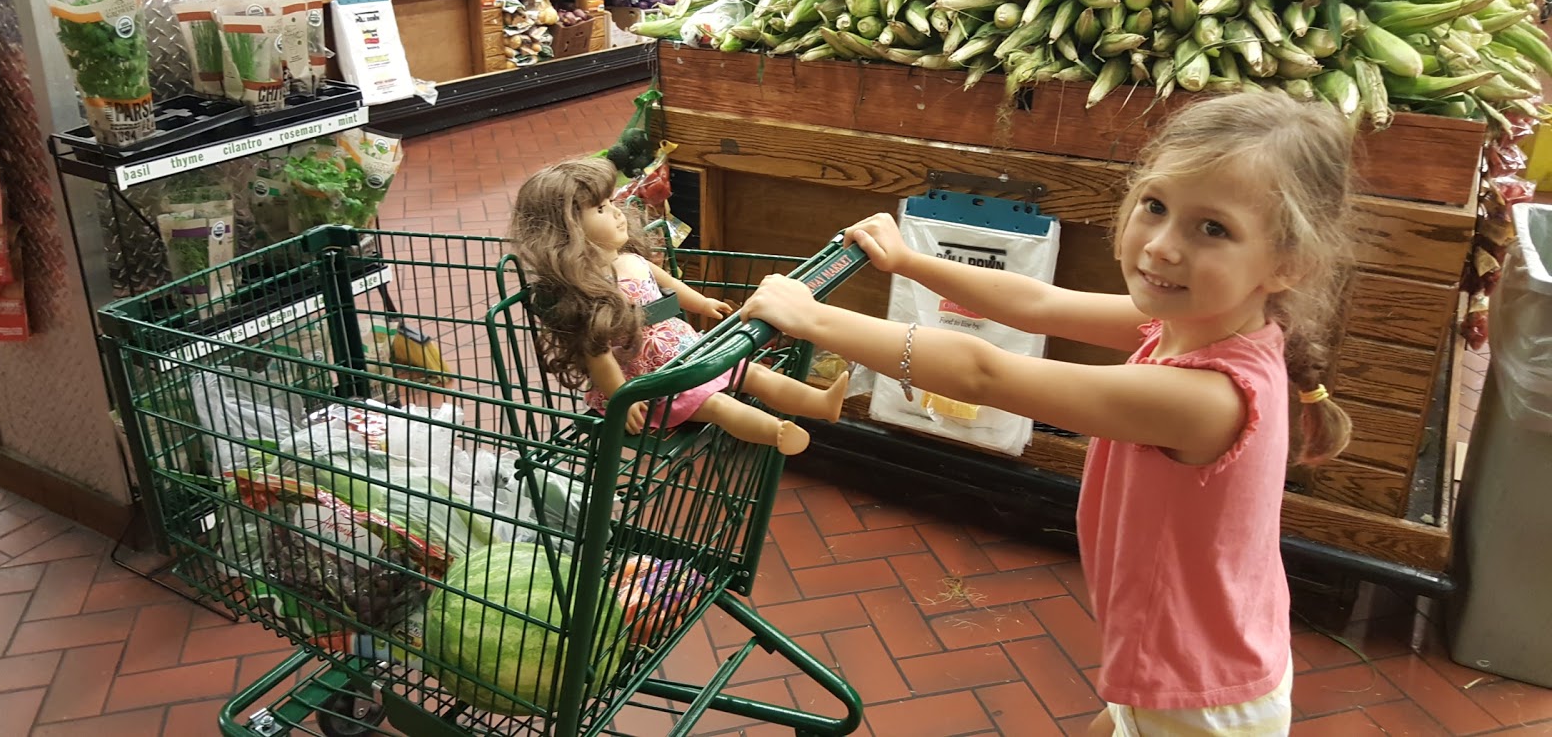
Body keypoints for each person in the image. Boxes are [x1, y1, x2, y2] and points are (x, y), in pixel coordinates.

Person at [739, 92, 1357, 736]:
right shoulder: (1195, 320)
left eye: (1213, 228)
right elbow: (1036, 302)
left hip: (1198, 696)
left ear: (1289, 264)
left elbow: (988, 373)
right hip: (1196, 652)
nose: (1163, 247)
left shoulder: (1208, 398)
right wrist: (912, 261)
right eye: (1156, 206)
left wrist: (812, 318)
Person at [509, 157, 848, 455]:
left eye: (612, 202)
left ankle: (821, 404)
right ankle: (776, 432)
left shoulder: (629, 259)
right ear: (567, 231)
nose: (616, 213)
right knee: (716, 405)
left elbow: (670, 284)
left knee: (752, 371)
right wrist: (621, 399)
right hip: (651, 379)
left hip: (685, 351)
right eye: (600, 209)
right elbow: (597, 354)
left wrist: (702, 302)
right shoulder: (588, 288)